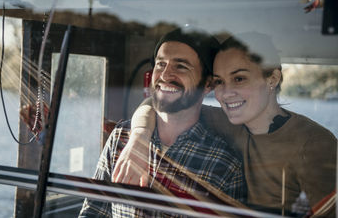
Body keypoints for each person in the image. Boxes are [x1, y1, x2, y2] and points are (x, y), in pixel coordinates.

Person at [113, 32, 337, 217]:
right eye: (219, 81)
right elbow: (157, 102)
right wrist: (139, 139)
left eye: (239, 79)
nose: (226, 93)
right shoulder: (227, 119)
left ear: (273, 78)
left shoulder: (315, 144)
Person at [79, 28, 246, 217]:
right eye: (160, 64)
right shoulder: (121, 137)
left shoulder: (223, 163)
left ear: (208, 84)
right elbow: (93, 210)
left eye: (181, 66)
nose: (165, 75)